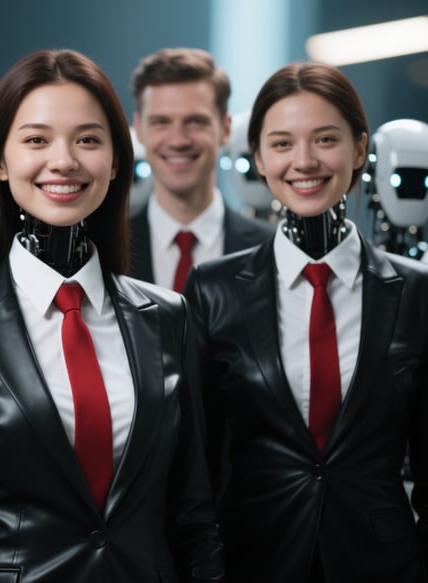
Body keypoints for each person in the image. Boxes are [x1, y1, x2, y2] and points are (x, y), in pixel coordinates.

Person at [0, 48, 223, 582]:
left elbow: (194, 521)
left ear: (117, 159)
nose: (65, 160)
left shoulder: (167, 317)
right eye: (37, 140)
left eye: (88, 139)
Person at [183, 62, 428, 582]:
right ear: (259, 158)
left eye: (324, 139)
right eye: (282, 143)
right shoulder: (212, 289)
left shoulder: (416, 291)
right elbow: (193, 469)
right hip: (252, 562)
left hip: (385, 567)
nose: (304, 161)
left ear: (361, 150)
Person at [129, 47, 274, 290]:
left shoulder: (272, 250)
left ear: (226, 129)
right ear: (139, 129)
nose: (178, 140)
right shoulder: (104, 251)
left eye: (196, 121)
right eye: (161, 122)